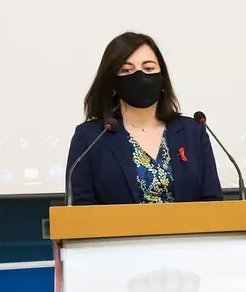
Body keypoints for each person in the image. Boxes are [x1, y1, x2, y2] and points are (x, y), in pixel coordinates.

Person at [66, 32, 223, 205]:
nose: (140, 76)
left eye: (148, 68)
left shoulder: (192, 132)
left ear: (162, 78)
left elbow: (212, 201)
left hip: (189, 232)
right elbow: (81, 210)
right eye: (127, 70)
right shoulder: (90, 137)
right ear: (113, 82)